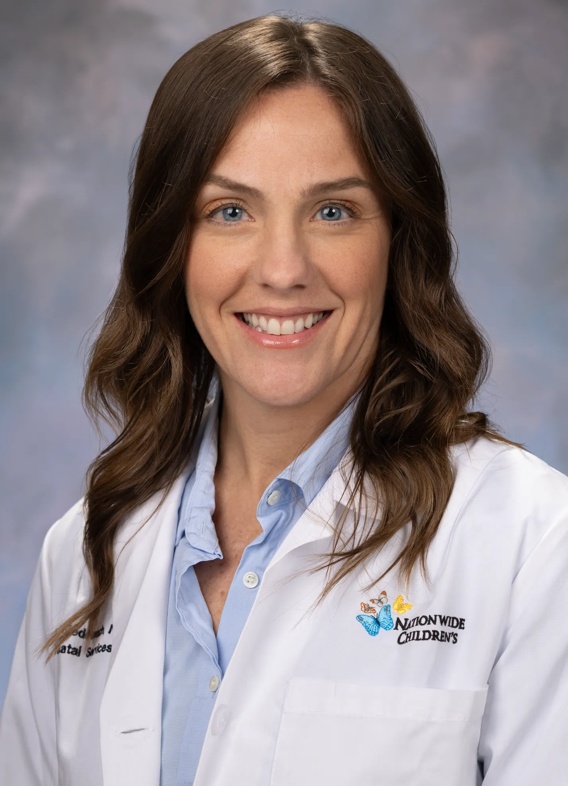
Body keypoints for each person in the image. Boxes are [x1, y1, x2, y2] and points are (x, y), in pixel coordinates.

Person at [1, 13, 567, 786]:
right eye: (229, 211)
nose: (282, 268)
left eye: (333, 210)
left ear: (398, 241)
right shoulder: (84, 553)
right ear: (173, 247)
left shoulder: (532, 541)